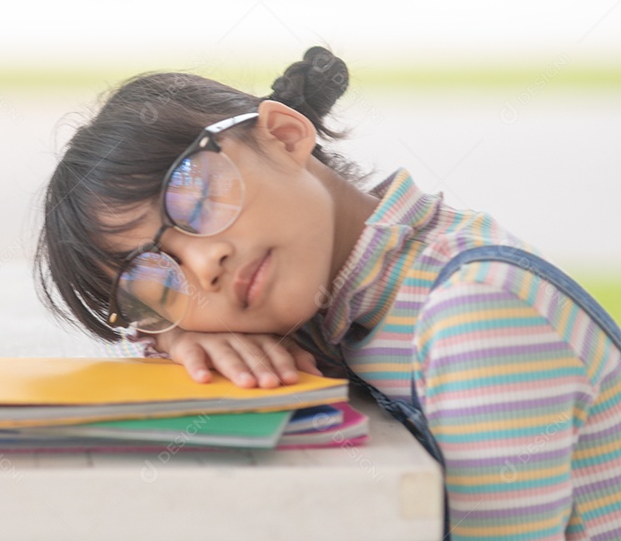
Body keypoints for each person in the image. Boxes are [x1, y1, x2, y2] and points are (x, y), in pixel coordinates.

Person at [34, 47, 621, 540]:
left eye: (195, 198)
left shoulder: (474, 309)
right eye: (160, 280)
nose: (205, 263)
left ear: (285, 136)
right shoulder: (332, 303)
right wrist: (180, 335)